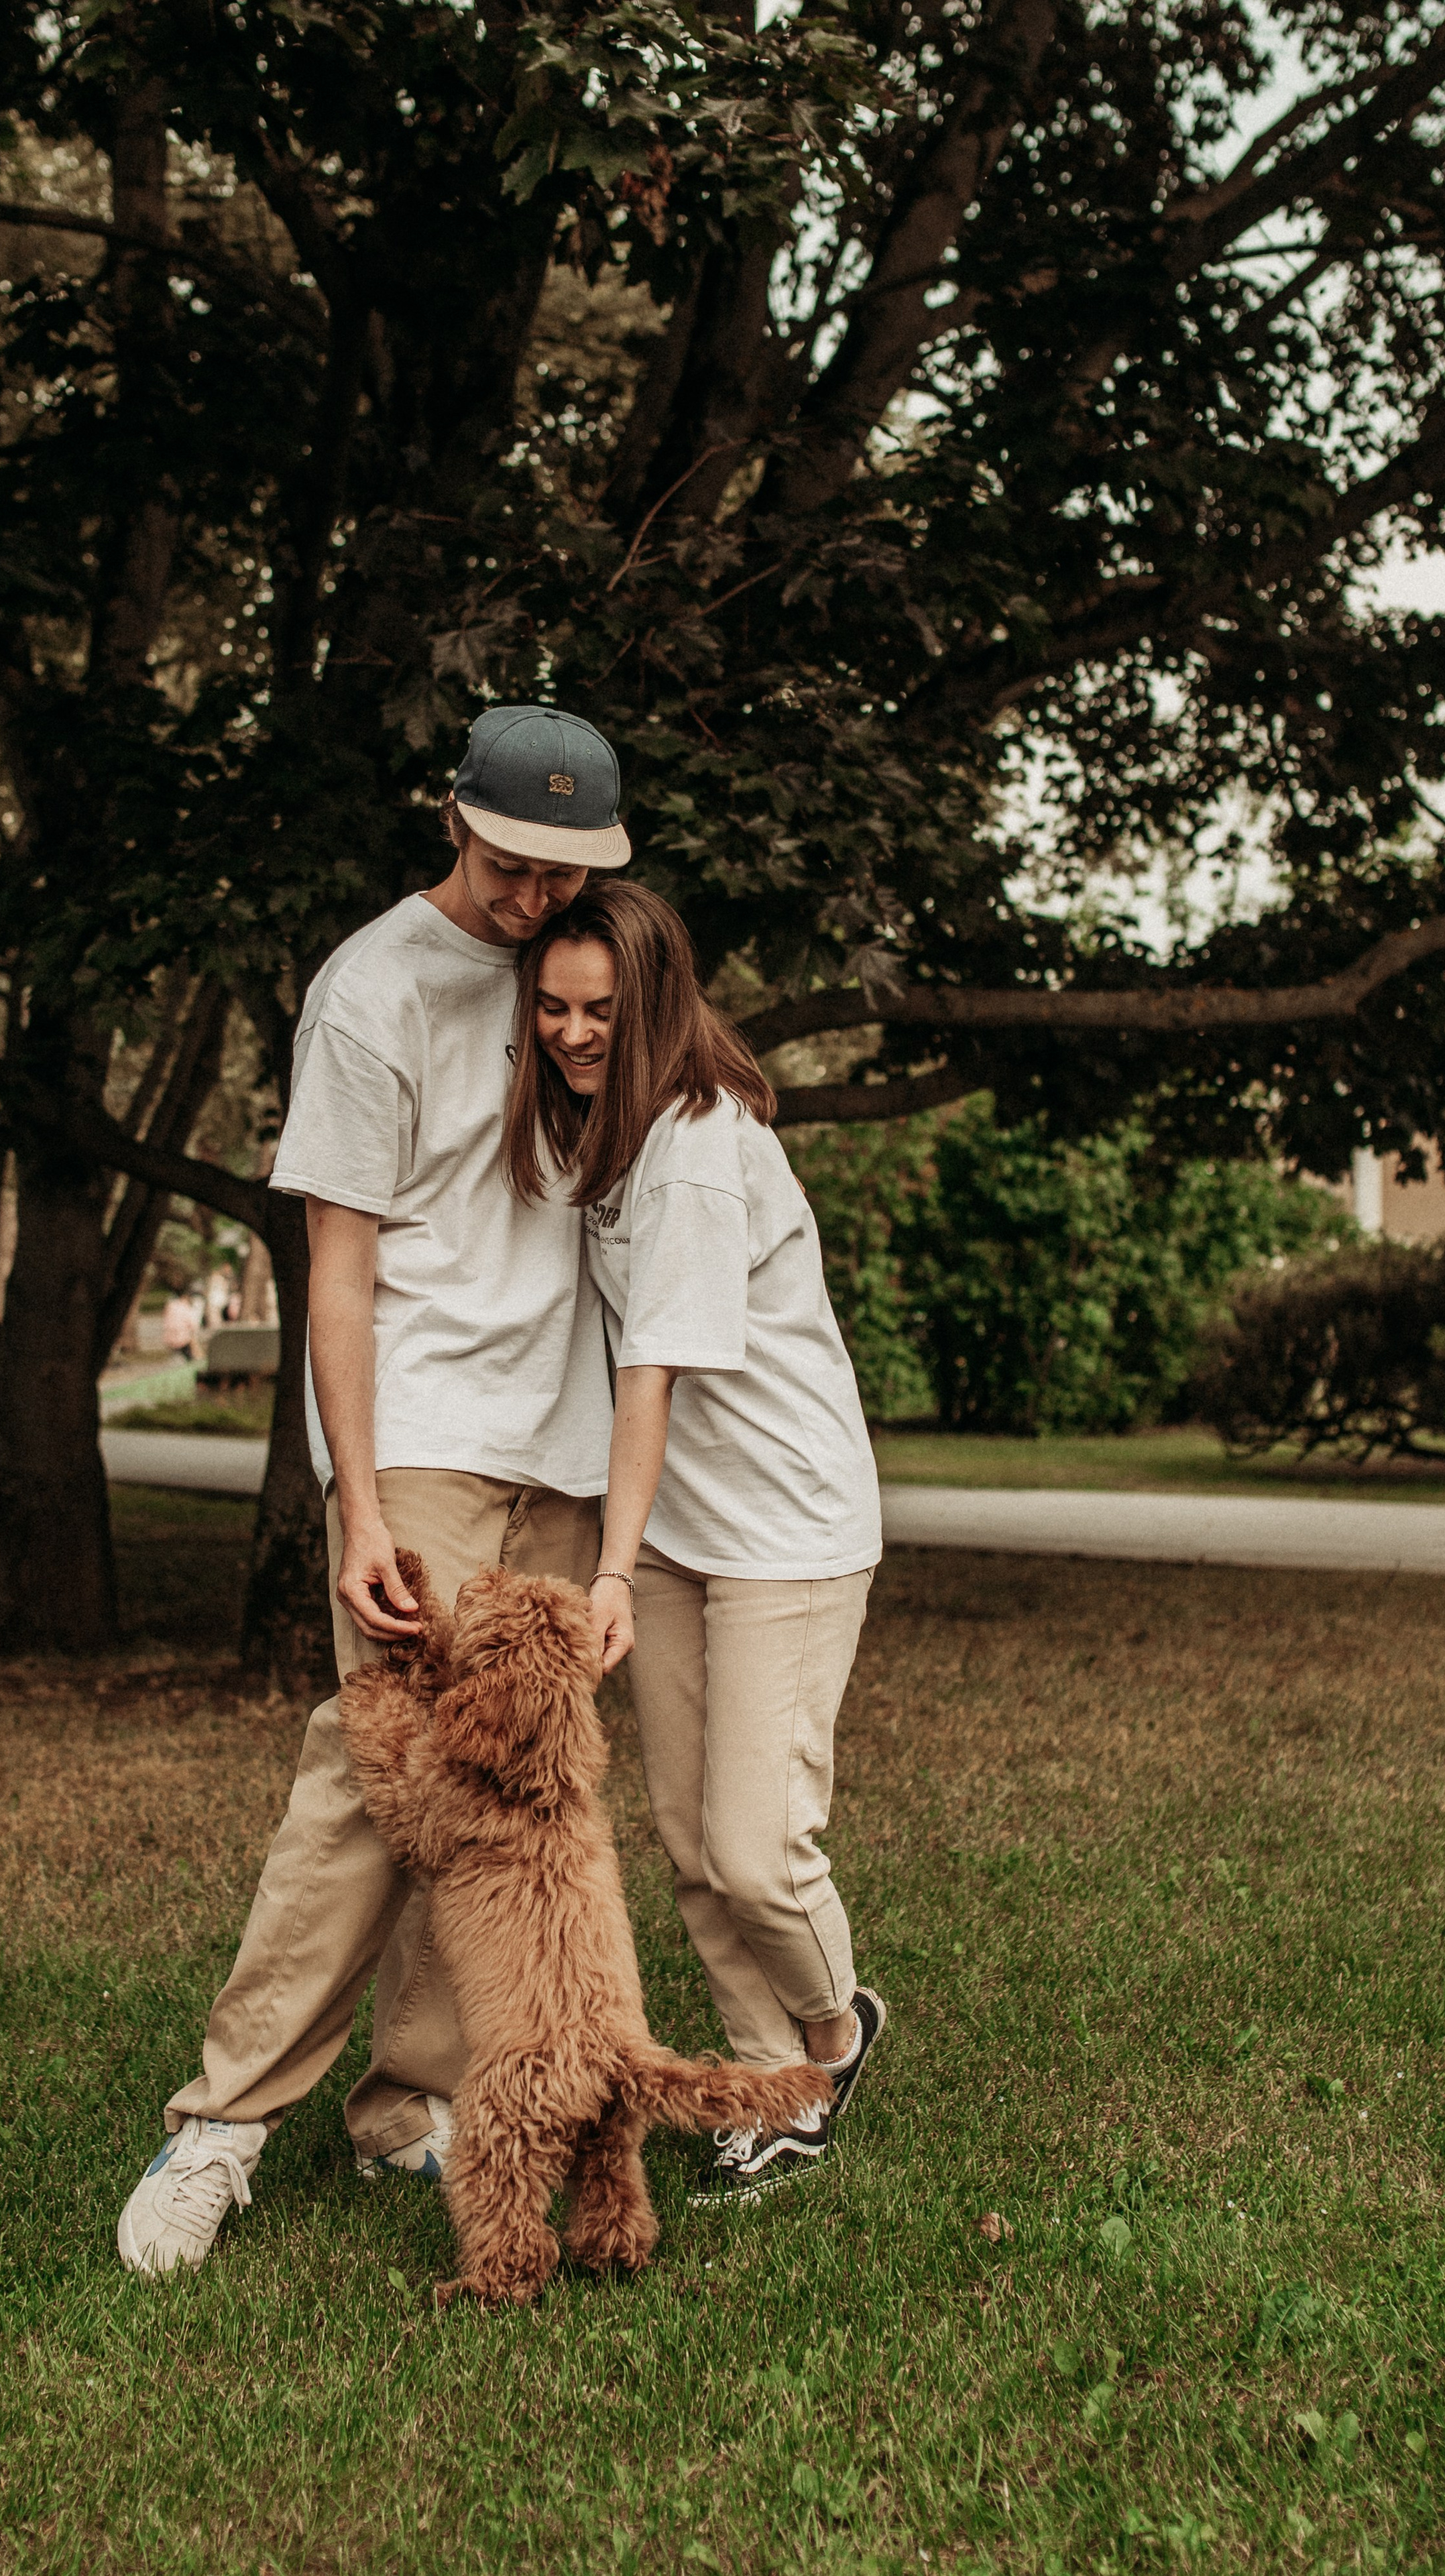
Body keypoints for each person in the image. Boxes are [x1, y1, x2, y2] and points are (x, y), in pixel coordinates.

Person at [117, 705, 629, 2275]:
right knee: (373, 1774)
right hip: (420, 1429)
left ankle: (413, 2098)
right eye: (510, 853)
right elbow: (333, 1271)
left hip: (565, 1433)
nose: (536, 886)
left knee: (509, 1794)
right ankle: (221, 2118)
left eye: (567, 863)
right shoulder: (369, 990)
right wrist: (353, 1499)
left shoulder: (595, 971)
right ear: (450, 815)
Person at [504, 880, 886, 2205]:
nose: (569, 1031)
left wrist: (599, 1570)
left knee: (756, 1845)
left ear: (657, 1004)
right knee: (682, 1833)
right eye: (550, 1005)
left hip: (785, 1523)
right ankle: (762, 2082)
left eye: (599, 1009)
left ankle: (835, 2032)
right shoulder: (605, 1136)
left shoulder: (699, 1146)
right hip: (676, 1527)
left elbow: (647, 1375)